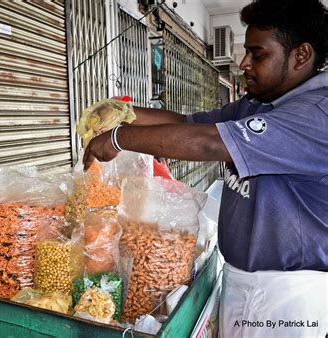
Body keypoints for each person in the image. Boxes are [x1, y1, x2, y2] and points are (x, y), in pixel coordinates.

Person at [83, 0, 327, 336]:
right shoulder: (257, 105)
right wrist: (120, 112)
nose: (244, 63)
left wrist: (120, 138)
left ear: (301, 55)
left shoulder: (315, 115)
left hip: (287, 294)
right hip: (243, 280)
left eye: (258, 55)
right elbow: (186, 123)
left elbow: (210, 142)